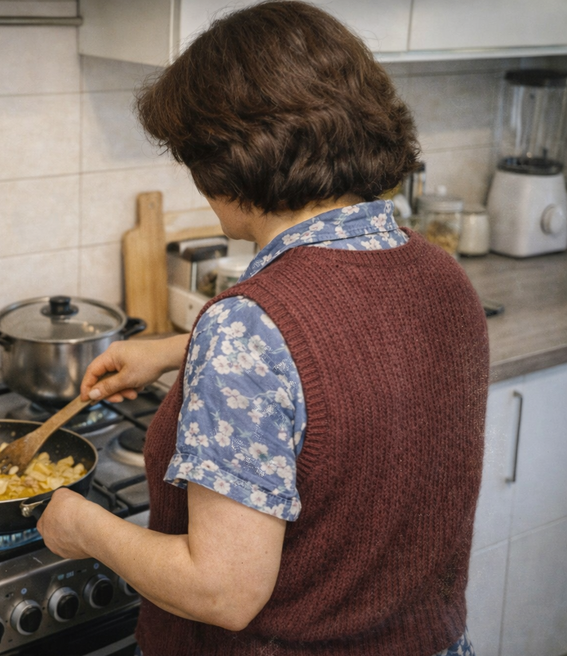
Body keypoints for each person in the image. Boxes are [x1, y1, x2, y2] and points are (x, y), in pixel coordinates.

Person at [35, 2, 490, 655]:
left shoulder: (247, 330)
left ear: (230, 158)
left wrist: (85, 527)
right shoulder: (442, 275)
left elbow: (222, 591)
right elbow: (347, 357)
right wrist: (178, 349)